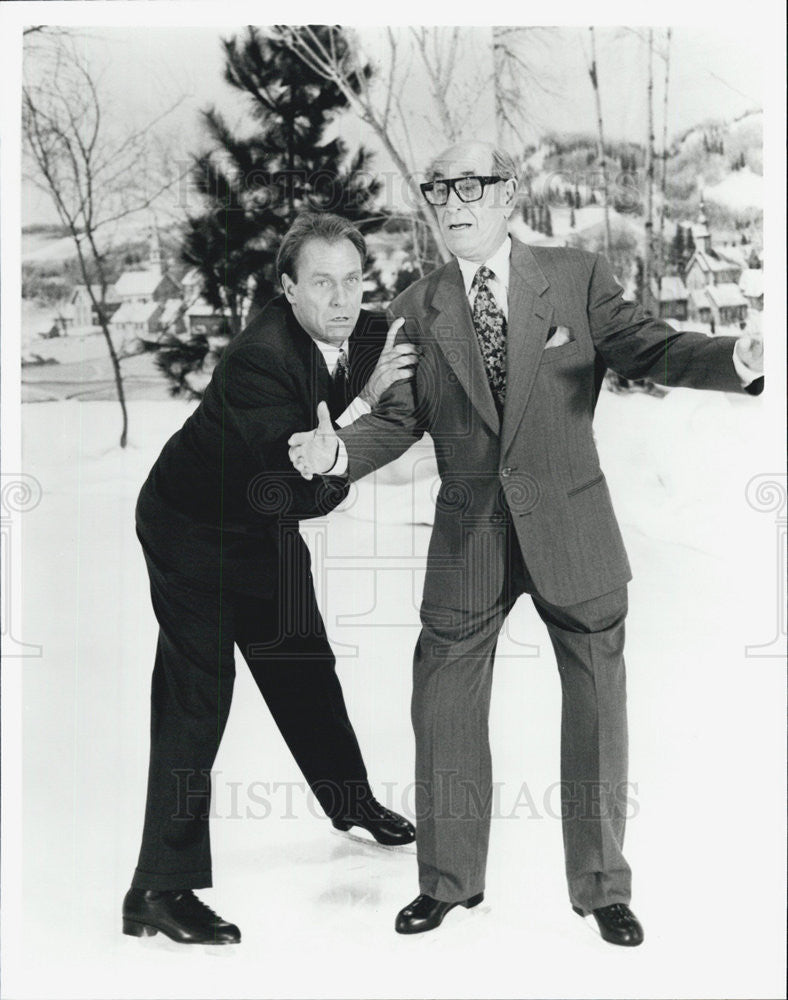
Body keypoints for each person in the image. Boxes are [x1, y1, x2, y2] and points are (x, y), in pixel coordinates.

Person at [287, 142, 765, 946]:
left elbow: (648, 346)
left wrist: (735, 360)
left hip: (571, 530)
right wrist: (339, 454)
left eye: (470, 186)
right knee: (441, 705)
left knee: (597, 711)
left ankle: (603, 887)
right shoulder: (413, 306)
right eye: (439, 189)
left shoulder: (576, 276)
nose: (453, 201)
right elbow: (399, 420)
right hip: (469, 534)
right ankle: (447, 882)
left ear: (509, 196)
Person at [123, 212, 419, 945]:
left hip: (261, 527)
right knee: (199, 698)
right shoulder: (260, 361)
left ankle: (350, 803)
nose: (342, 298)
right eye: (322, 283)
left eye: (353, 279)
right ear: (288, 289)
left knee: (303, 666)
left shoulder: (360, 327)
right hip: (192, 528)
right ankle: (157, 890)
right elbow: (302, 485)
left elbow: (418, 325)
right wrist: (357, 413)